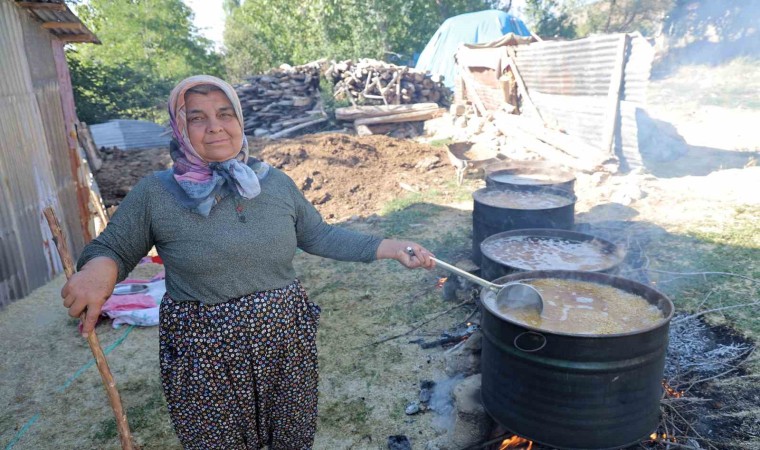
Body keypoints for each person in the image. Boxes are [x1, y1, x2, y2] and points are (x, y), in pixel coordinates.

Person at [60, 75, 435, 450]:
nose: (215, 126)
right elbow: (114, 247)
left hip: (284, 339)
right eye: (197, 118)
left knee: (290, 437)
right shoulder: (156, 193)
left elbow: (319, 235)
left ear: (239, 120)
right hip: (203, 352)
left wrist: (390, 246)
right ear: (179, 127)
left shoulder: (274, 183)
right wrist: (99, 269)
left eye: (225, 114)